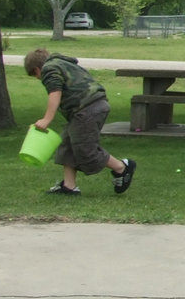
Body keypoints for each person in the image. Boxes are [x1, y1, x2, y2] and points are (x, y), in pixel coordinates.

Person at [23, 48, 135, 196]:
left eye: (35, 75)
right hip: (92, 106)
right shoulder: (62, 63)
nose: (39, 79)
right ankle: (69, 186)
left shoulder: (49, 69)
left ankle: (122, 167)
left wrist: (47, 119)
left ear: (37, 69)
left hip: (87, 108)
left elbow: (55, 92)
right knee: (67, 145)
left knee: (85, 149)